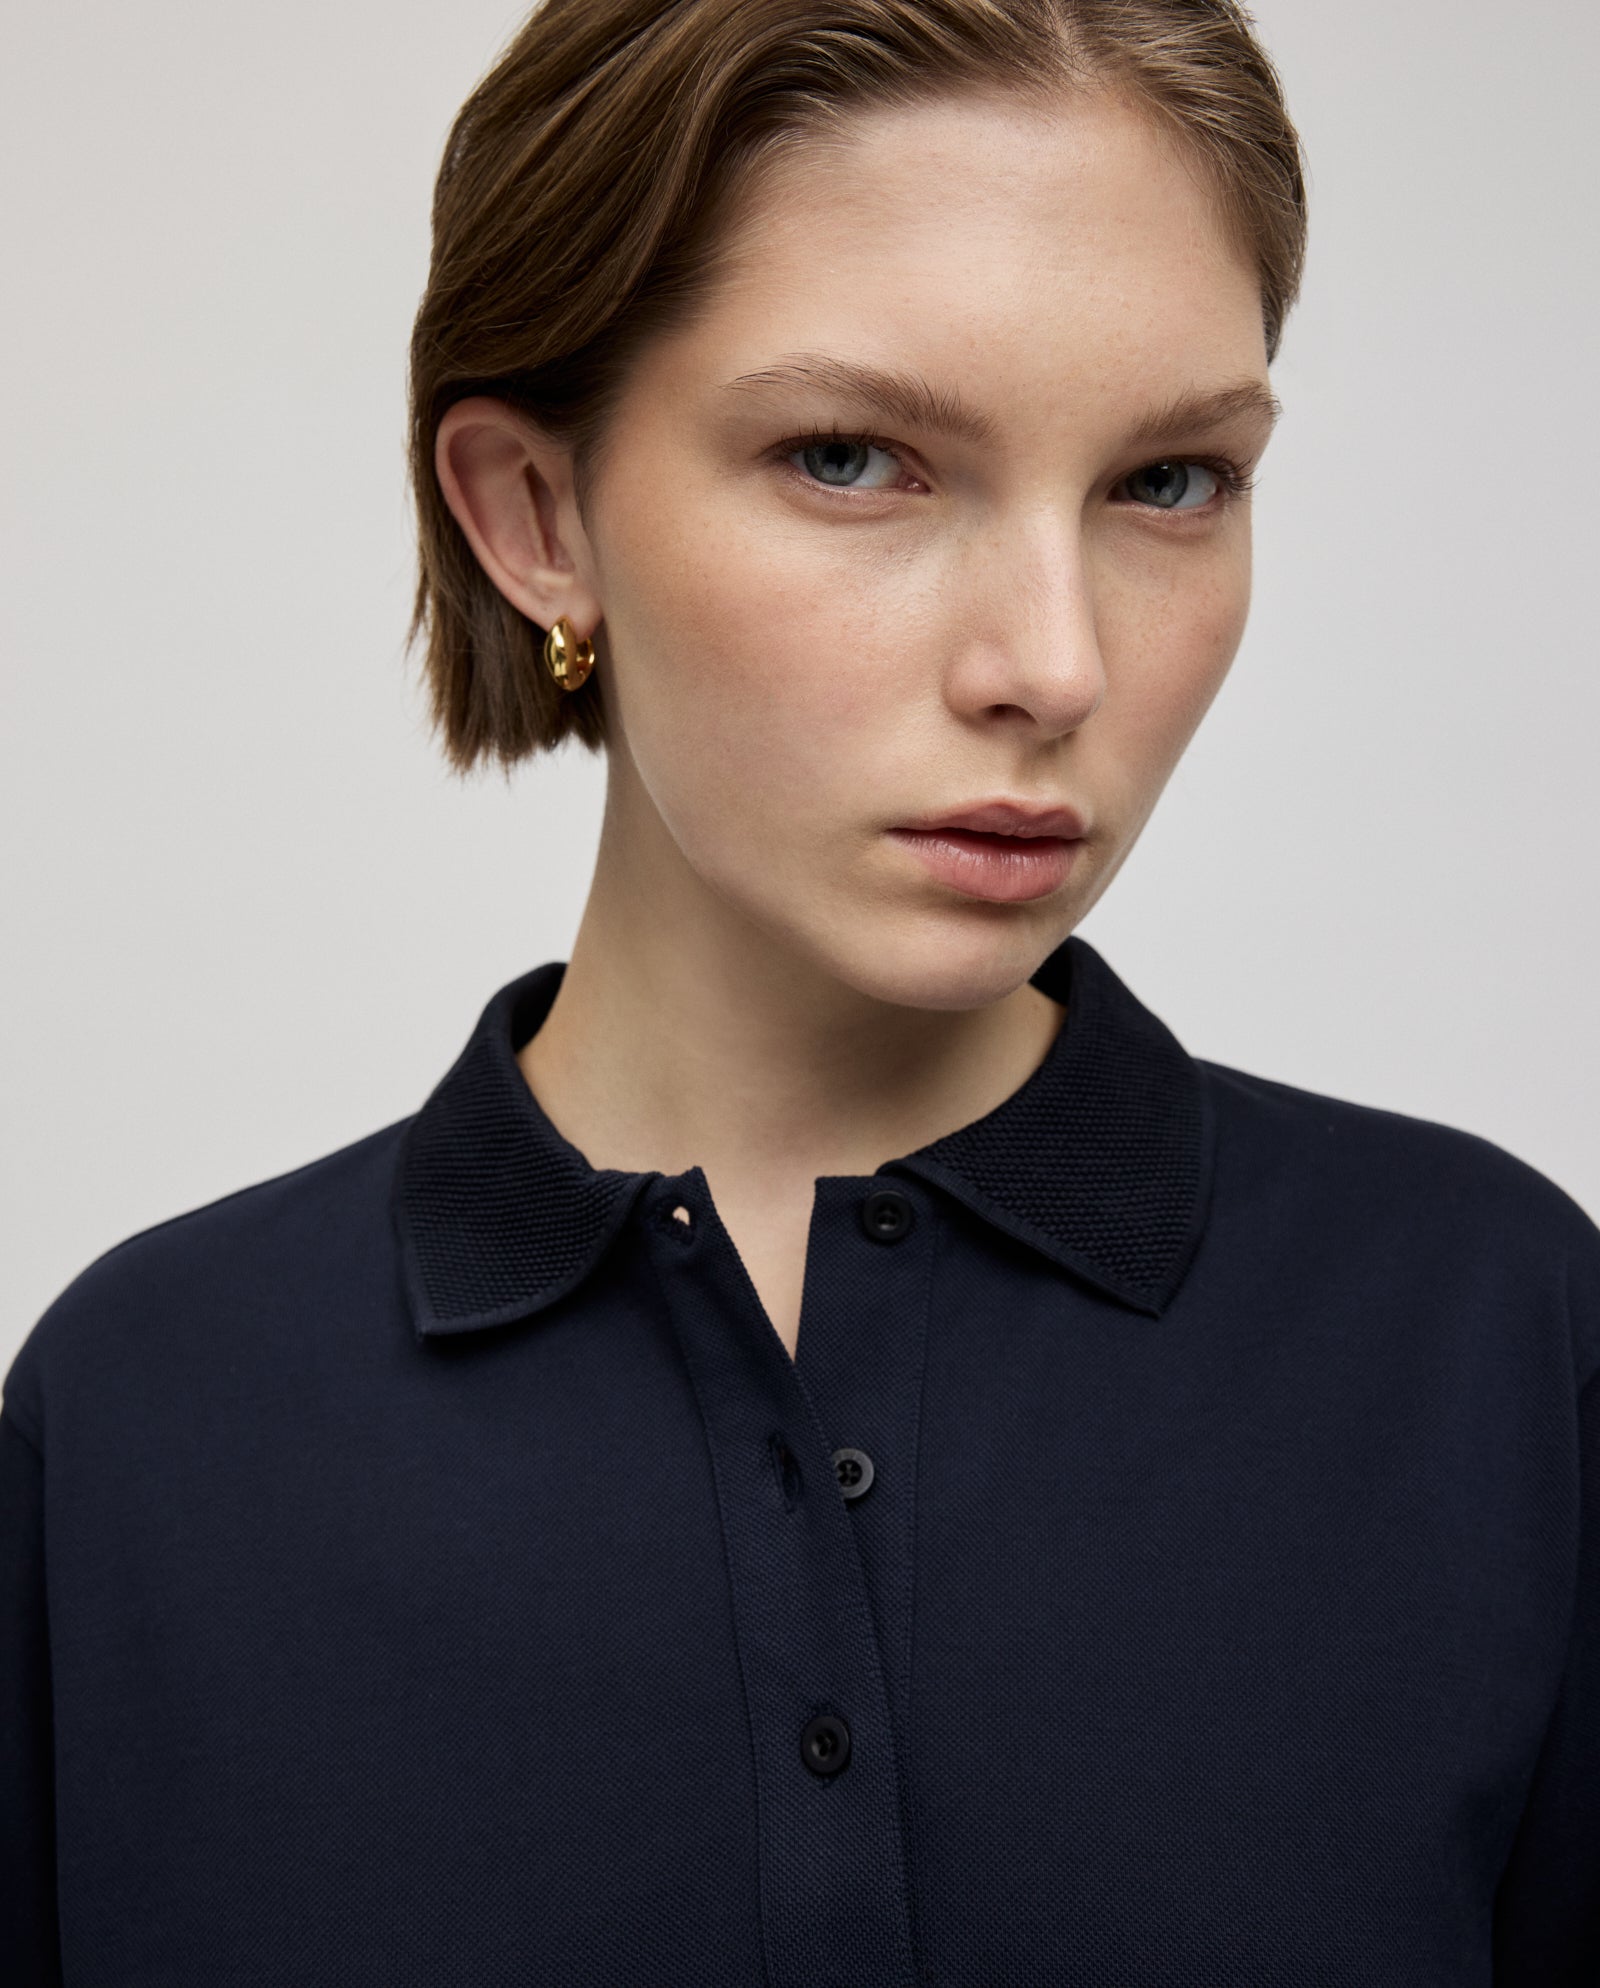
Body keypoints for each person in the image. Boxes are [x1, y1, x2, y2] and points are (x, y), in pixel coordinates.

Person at [3, 0, 1595, 1978]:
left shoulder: (1496, 1346)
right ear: (534, 515)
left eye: (1168, 481)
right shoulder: (143, 1426)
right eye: (853, 459)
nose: (1052, 662)